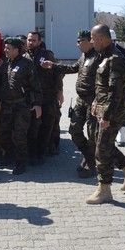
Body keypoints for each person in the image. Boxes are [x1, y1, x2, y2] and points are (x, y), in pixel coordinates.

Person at [86, 24, 125, 205]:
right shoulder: (104, 56)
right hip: (104, 109)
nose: (92, 43)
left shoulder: (115, 58)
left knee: (102, 150)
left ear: (101, 39)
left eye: (93, 39)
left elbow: (115, 91)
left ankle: (104, 189)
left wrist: (107, 116)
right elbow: (102, 87)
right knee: (104, 145)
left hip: (113, 113)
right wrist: (96, 102)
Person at [41, 30, 99, 178]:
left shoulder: (98, 57)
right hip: (81, 100)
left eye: (80, 41)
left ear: (89, 41)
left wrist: (98, 101)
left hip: (93, 101)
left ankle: (92, 165)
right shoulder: (83, 56)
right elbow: (72, 68)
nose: (77, 44)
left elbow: (104, 83)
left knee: (93, 135)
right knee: (74, 130)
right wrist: (53, 65)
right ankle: (88, 157)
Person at [0, 37, 42, 175]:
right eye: (5, 47)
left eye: (8, 48)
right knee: (3, 133)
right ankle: (9, 154)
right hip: (6, 106)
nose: (5, 50)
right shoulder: (6, 64)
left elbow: (37, 87)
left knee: (20, 136)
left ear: (16, 50)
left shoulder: (27, 64)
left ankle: (20, 163)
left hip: (21, 106)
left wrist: (37, 104)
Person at [25, 31, 63, 162]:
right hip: (33, 98)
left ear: (39, 42)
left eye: (34, 40)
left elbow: (57, 73)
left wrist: (60, 92)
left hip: (48, 96)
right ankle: (33, 154)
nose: (31, 42)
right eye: (29, 40)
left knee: (47, 126)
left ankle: (42, 152)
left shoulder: (47, 55)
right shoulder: (24, 57)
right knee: (33, 128)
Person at [110, 30, 125, 148]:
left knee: (121, 110)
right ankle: (112, 133)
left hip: (121, 86)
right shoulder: (103, 51)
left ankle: (121, 134)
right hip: (107, 87)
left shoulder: (122, 51)